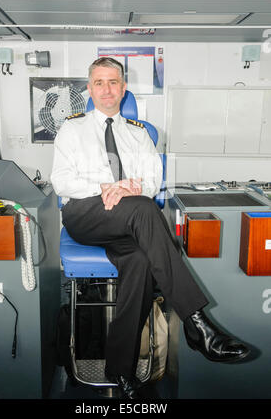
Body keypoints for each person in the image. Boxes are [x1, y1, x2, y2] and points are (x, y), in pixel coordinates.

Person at [50, 57, 250, 399]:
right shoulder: (72, 129)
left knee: (140, 262)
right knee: (142, 209)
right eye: (99, 82)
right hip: (85, 214)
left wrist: (128, 189)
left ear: (123, 88)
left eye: (113, 82)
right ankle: (197, 323)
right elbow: (61, 181)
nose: (107, 89)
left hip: (128, 216)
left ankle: (119, 368)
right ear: (89, 89)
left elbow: (153, 181)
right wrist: (105, 187)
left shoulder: (139, 134)